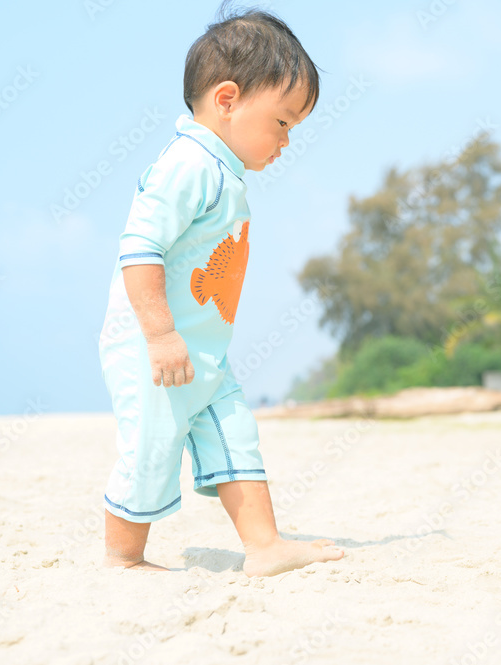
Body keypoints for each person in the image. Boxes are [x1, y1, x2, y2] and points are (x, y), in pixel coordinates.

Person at [97, 5, 344, 576]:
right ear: (228, 100)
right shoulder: (188, 164)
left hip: (203, 349)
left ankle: (264, 546)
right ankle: (124, 558)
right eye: (282, 122)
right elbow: (139, 249)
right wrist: (159, 335)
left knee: (234, 434)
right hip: (154, 348)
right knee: (152, 447)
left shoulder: (221, 170)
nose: (286, 140)